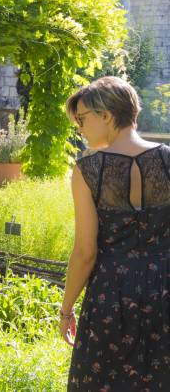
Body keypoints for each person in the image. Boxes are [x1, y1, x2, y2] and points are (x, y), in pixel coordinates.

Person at [62, 76, 170, 390]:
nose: (79, 128)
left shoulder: (88, 171)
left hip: (111, 297)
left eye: (82, 119)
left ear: (107, 115)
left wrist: (65, 309)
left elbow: (85, 253)